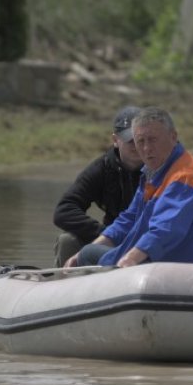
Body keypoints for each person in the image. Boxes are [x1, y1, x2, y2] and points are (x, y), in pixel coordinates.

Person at [64, 106, 193, 268]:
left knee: (89, 254)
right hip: (155, 265)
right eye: (140, 141)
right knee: (87, 251)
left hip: (179, 270)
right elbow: (128, 220)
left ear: (173, 137)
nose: (146, 149)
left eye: (153, 140)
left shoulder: (186, 176)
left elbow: (165, 230)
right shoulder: (153, 173)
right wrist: (91, 248)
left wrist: (128, 260)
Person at [52, 106, 143, 267]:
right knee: (67, 241)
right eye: (130, 139)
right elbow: (64, 210)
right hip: (113, 238)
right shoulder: (102, 169)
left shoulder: (161, 170)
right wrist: (103, 234)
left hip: (148, 241)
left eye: (141, 138)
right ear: (116, 140)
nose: (136, 145)